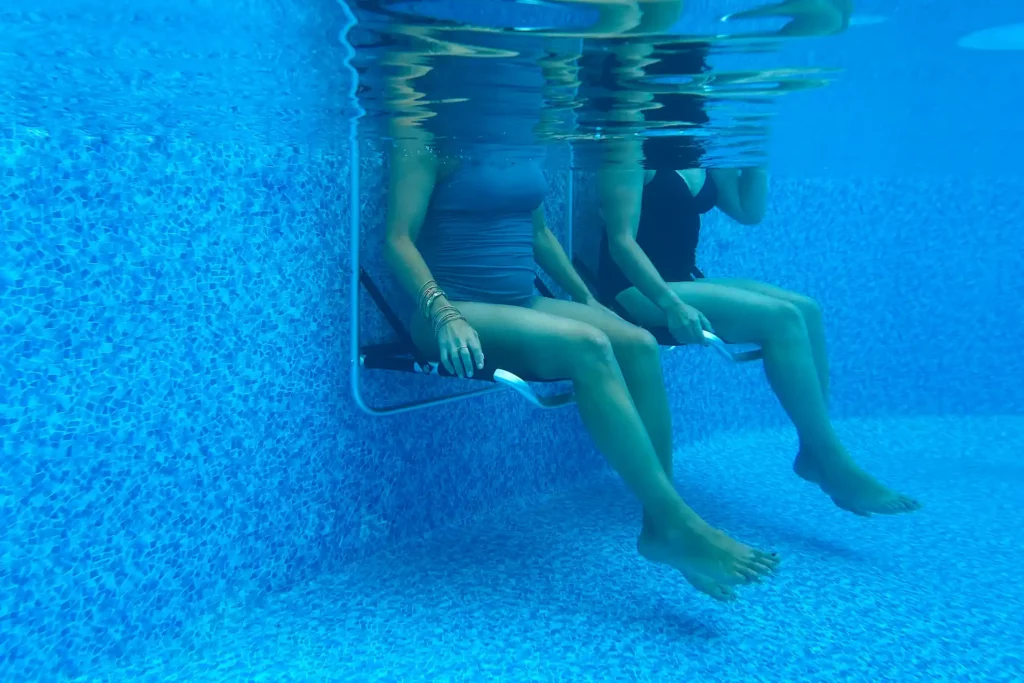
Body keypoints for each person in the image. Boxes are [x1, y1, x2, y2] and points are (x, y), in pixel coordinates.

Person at [378, 26, 778, 602]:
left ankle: (660, 522)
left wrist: (586, 300)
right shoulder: (427, 132)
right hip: (455, 308)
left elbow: (538, 233)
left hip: (521, 301)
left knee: (635, 341)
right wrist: (442, 313)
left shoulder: (522, 134)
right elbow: (397, 238)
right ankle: (681, 523)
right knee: (589, 348)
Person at [596, 165, 922, 517]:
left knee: (806, 310)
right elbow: (621, 241)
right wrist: (671, 304)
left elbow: (747, 211)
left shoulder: (702, 147)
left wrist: (754, 151)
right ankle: (830, 460)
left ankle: (816, 449)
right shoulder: (636, 145)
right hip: (636, 290)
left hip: (683, 280)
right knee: (780, 318)